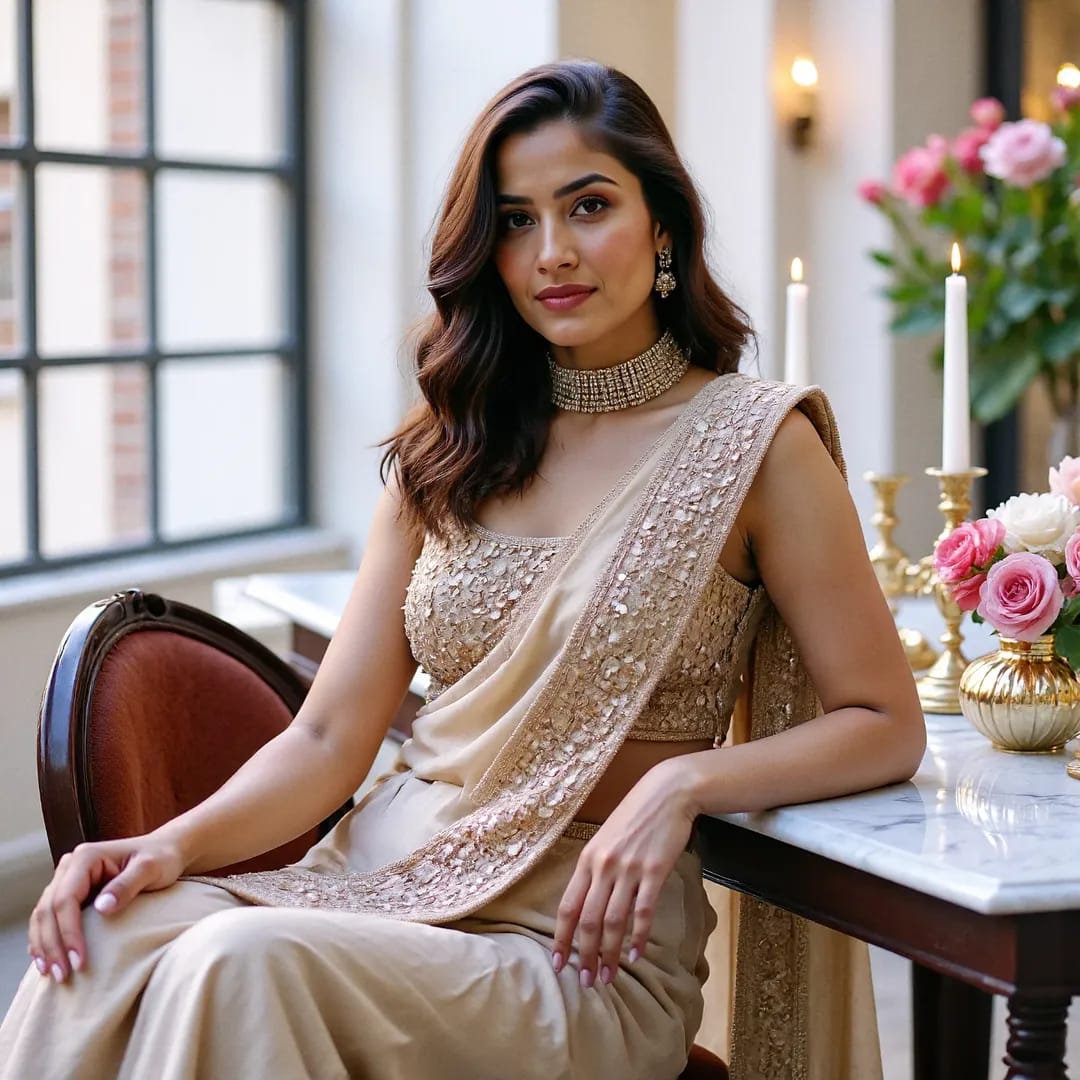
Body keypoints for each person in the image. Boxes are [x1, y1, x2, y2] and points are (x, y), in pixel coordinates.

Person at [0, 60, 924, 1080]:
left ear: (664, 226)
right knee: (92, 945)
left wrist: (681, 782)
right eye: (517, 221)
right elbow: (325, 735)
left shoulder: (756, 445)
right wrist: (171, 846)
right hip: (387, 880)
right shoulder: (454, 444)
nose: (554, 252)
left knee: (233, 961)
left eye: (589, 206)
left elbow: (883, 722)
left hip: (575, 944)